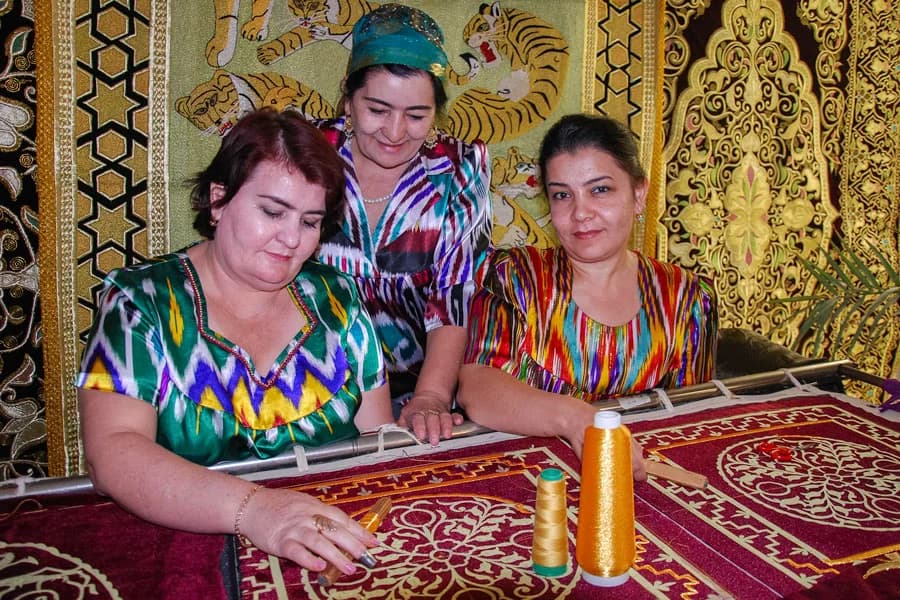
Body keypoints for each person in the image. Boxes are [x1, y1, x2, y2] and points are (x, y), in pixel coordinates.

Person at [76, 108, 393, 577]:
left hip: (331, 546)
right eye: (272, 211)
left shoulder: (337, 298)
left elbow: (376, 443)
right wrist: (259, 511)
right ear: (219, 200)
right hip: (188, 555)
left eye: (310, 222)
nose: (291, 239)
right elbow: (114, 454)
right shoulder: (140, 303)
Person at [458, 114, 718, 476]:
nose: (581, 213)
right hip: (526, 485)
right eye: (563, 195)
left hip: (642, 484)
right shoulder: (516, 276)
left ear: (638, 194)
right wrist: (576, 418)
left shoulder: (687, 297)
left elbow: (689, 422)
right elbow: (477, 388)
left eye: (600, 190)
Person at [315, 4, 492, 446]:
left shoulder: (457, 171)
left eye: (416, 115)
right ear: (347, 98)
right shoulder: (306, 154)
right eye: (377, 109)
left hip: (425, 391)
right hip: (313, 385)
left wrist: (432, 395)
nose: (395, 132)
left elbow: (455, 295)